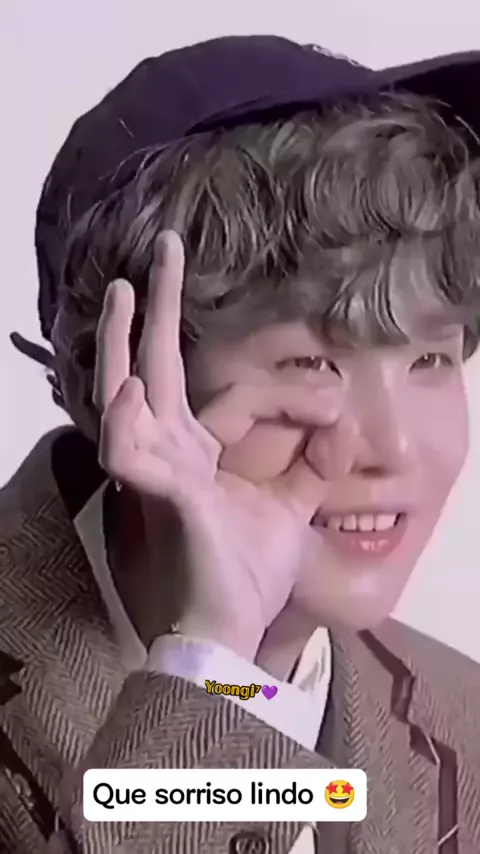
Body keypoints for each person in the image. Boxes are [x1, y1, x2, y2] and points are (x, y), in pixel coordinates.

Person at [1, 34, 480, 854]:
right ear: (134, 378)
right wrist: (215, 667)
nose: (394, 449)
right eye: (311, 363)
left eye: (430, 359)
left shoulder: (462, 720)